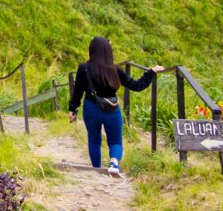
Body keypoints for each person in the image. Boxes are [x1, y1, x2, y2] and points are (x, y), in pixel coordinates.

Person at [67, 36, 163, 178]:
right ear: (108, 51)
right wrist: (151, 72)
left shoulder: (84, 68)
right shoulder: (115, 70)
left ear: (92, 51)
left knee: (94, 140)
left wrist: (72, 109)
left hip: (91, 108)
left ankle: (96, 170)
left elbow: (78, 91)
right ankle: (113, 163)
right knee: (116, 141)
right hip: (112, 109)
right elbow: (136, 85)